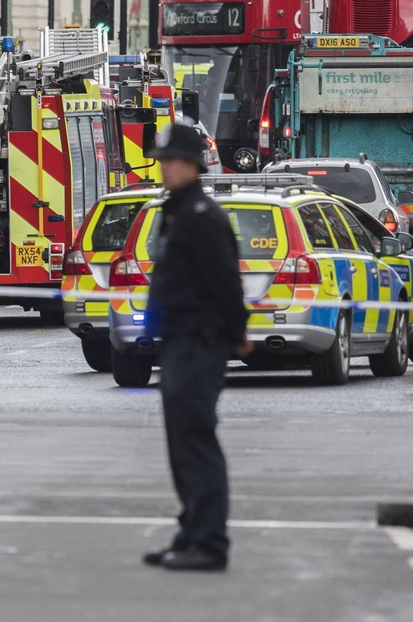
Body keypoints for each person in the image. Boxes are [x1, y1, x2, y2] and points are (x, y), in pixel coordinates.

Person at [140, 122, 250, 572]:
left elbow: (224, 282)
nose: (162, 169)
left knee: (196, 441)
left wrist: (237, 332)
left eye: (168, 162)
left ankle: (209, 542)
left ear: (190, 165)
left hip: (198, 343)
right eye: (161, 161)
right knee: (181, 444)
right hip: (178, 342)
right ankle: (190, 533)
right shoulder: (176, 210)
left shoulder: (202, 216)